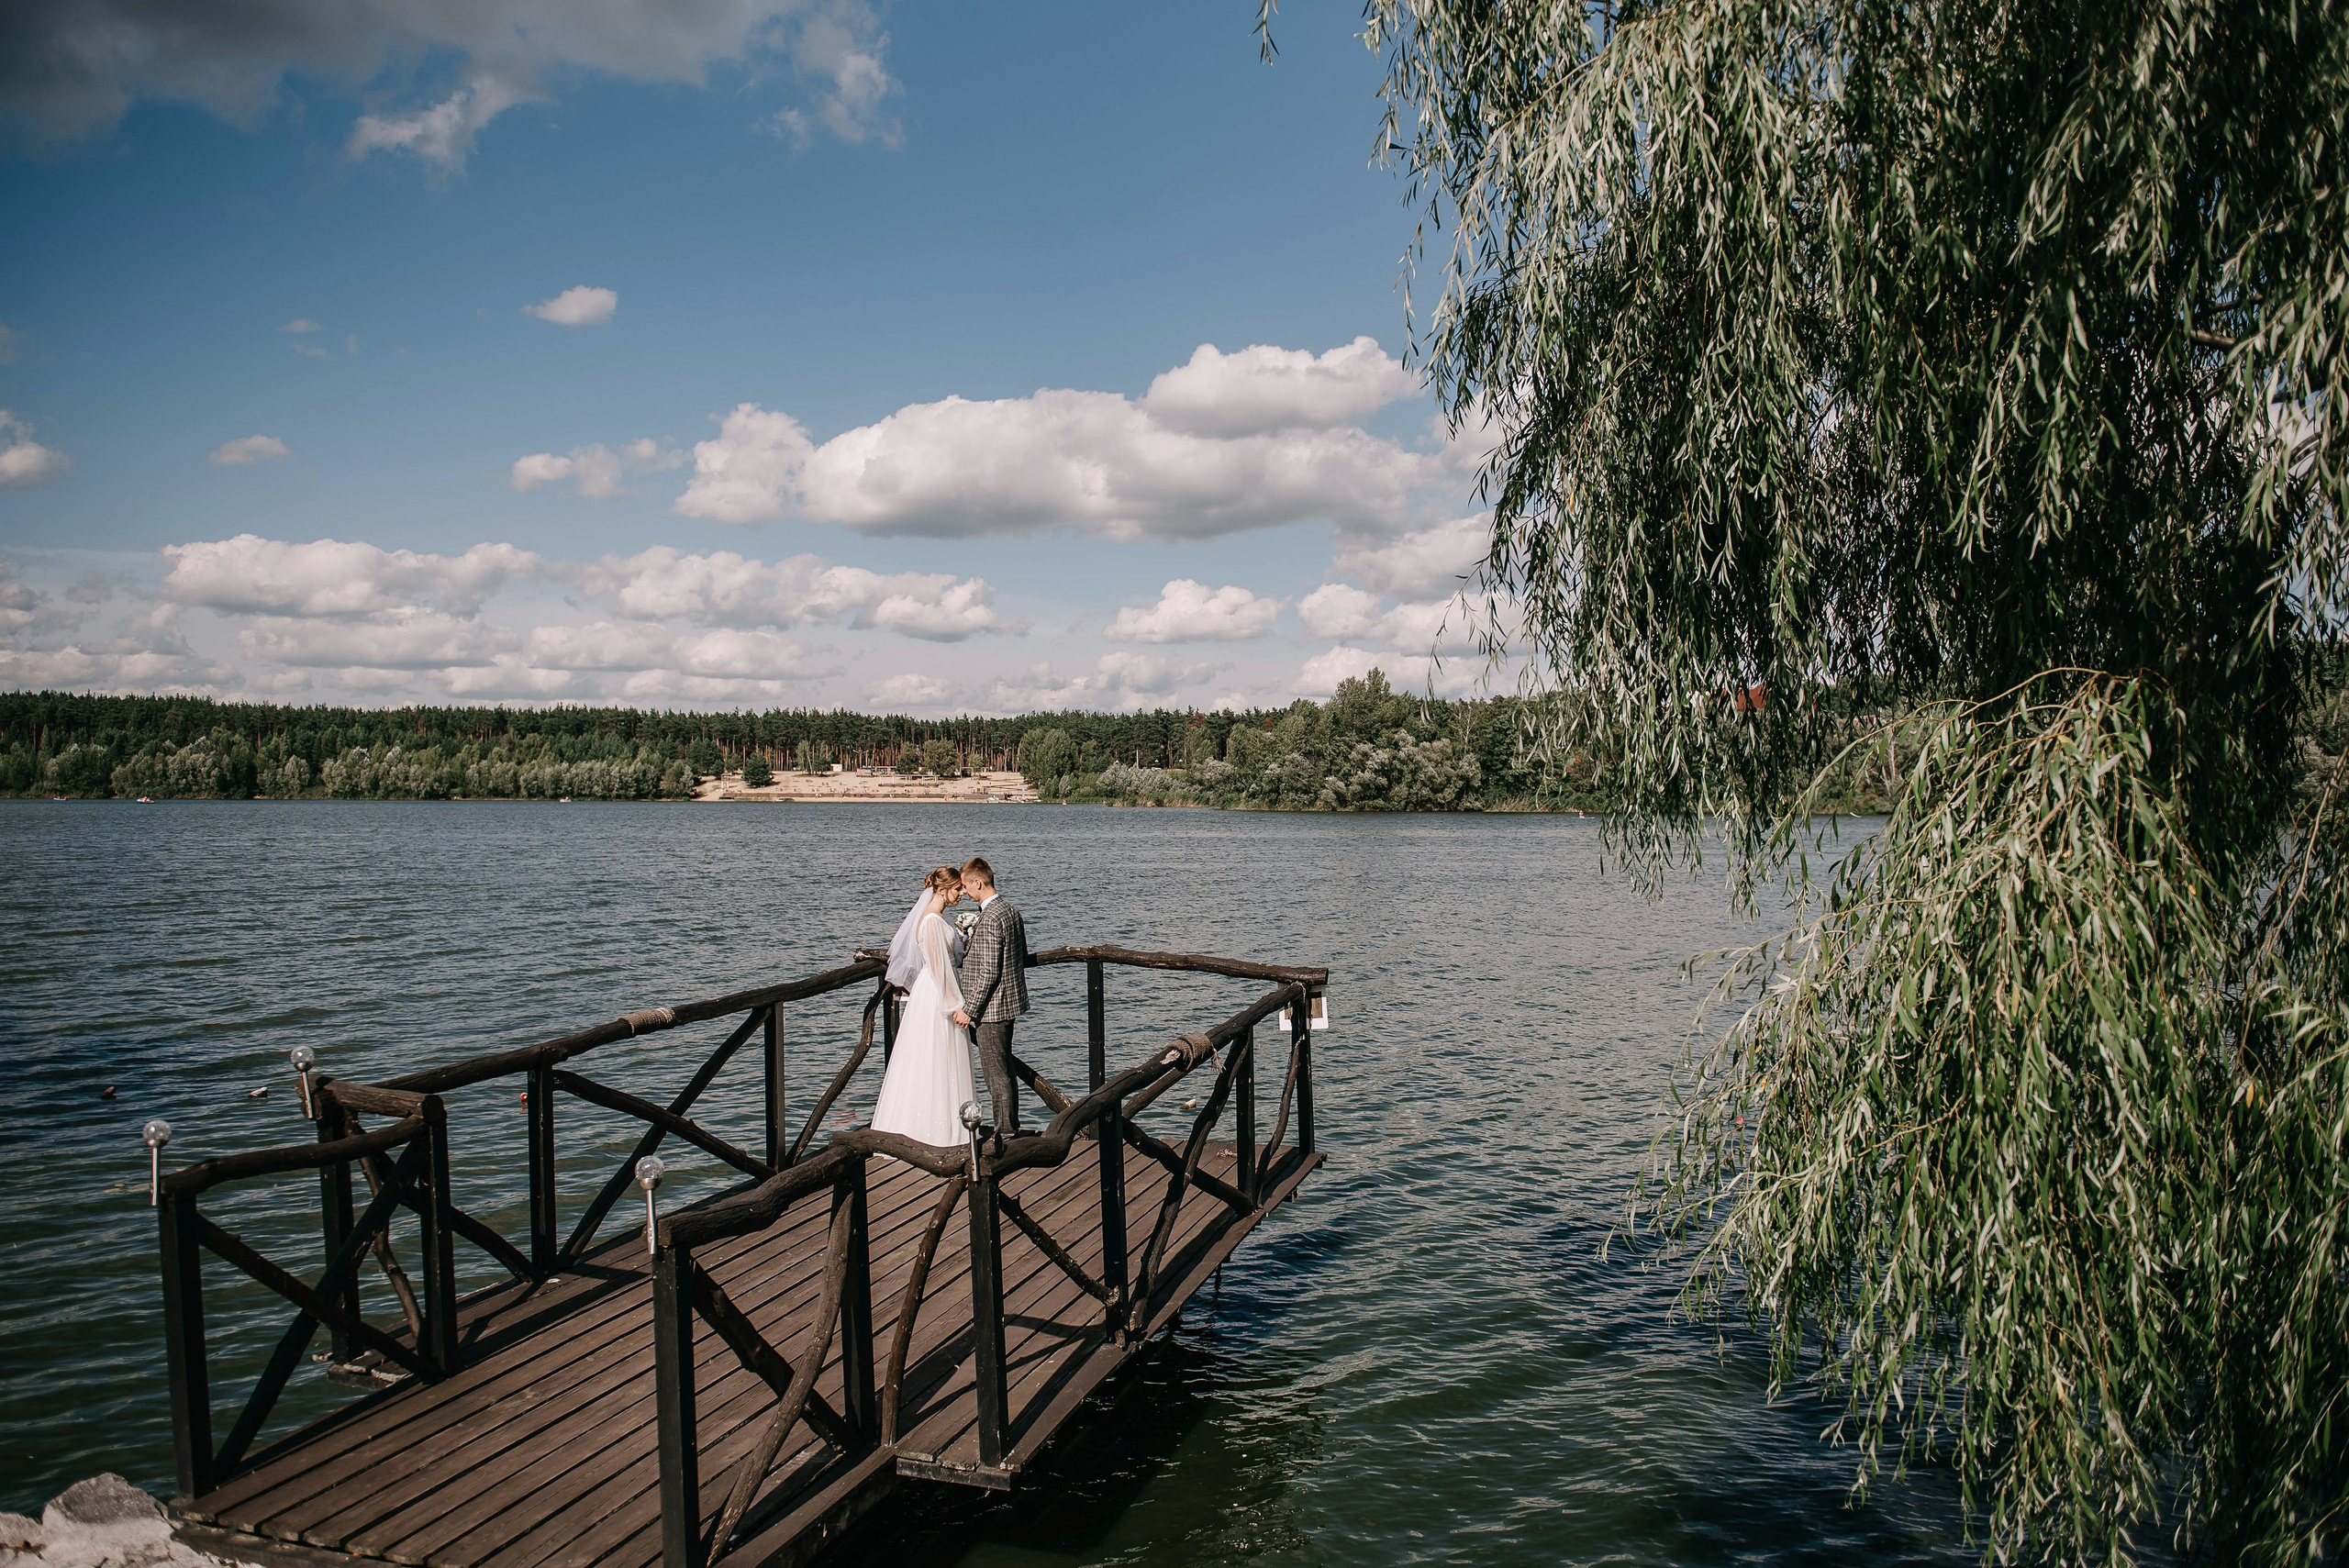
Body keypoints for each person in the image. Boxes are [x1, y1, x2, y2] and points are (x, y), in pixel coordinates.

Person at [867, 867, 977, 1148]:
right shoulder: (931, 921)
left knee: (935, 1057)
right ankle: (933, 1133)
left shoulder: (936, 919)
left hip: (935, 989)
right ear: (942, 889)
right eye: (957, 888)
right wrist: (956, 1005)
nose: (962, 893)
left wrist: (963, 941)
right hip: (938, 993)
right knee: (935, 1057)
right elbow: (940, 968)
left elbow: (948, 960)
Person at [952, 856, 1030, 1133]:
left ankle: (1006, 1132)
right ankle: (1010, 1127)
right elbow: (1019, 955)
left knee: (996, 1074)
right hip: (1009, 1002)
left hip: (992, 1007)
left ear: (978, 882)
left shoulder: (990, 917)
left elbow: (988, 972)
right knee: (1005, 1069)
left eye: (965, 886)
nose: (964, 892)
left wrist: (969, 1009)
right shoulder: (1010, 910)